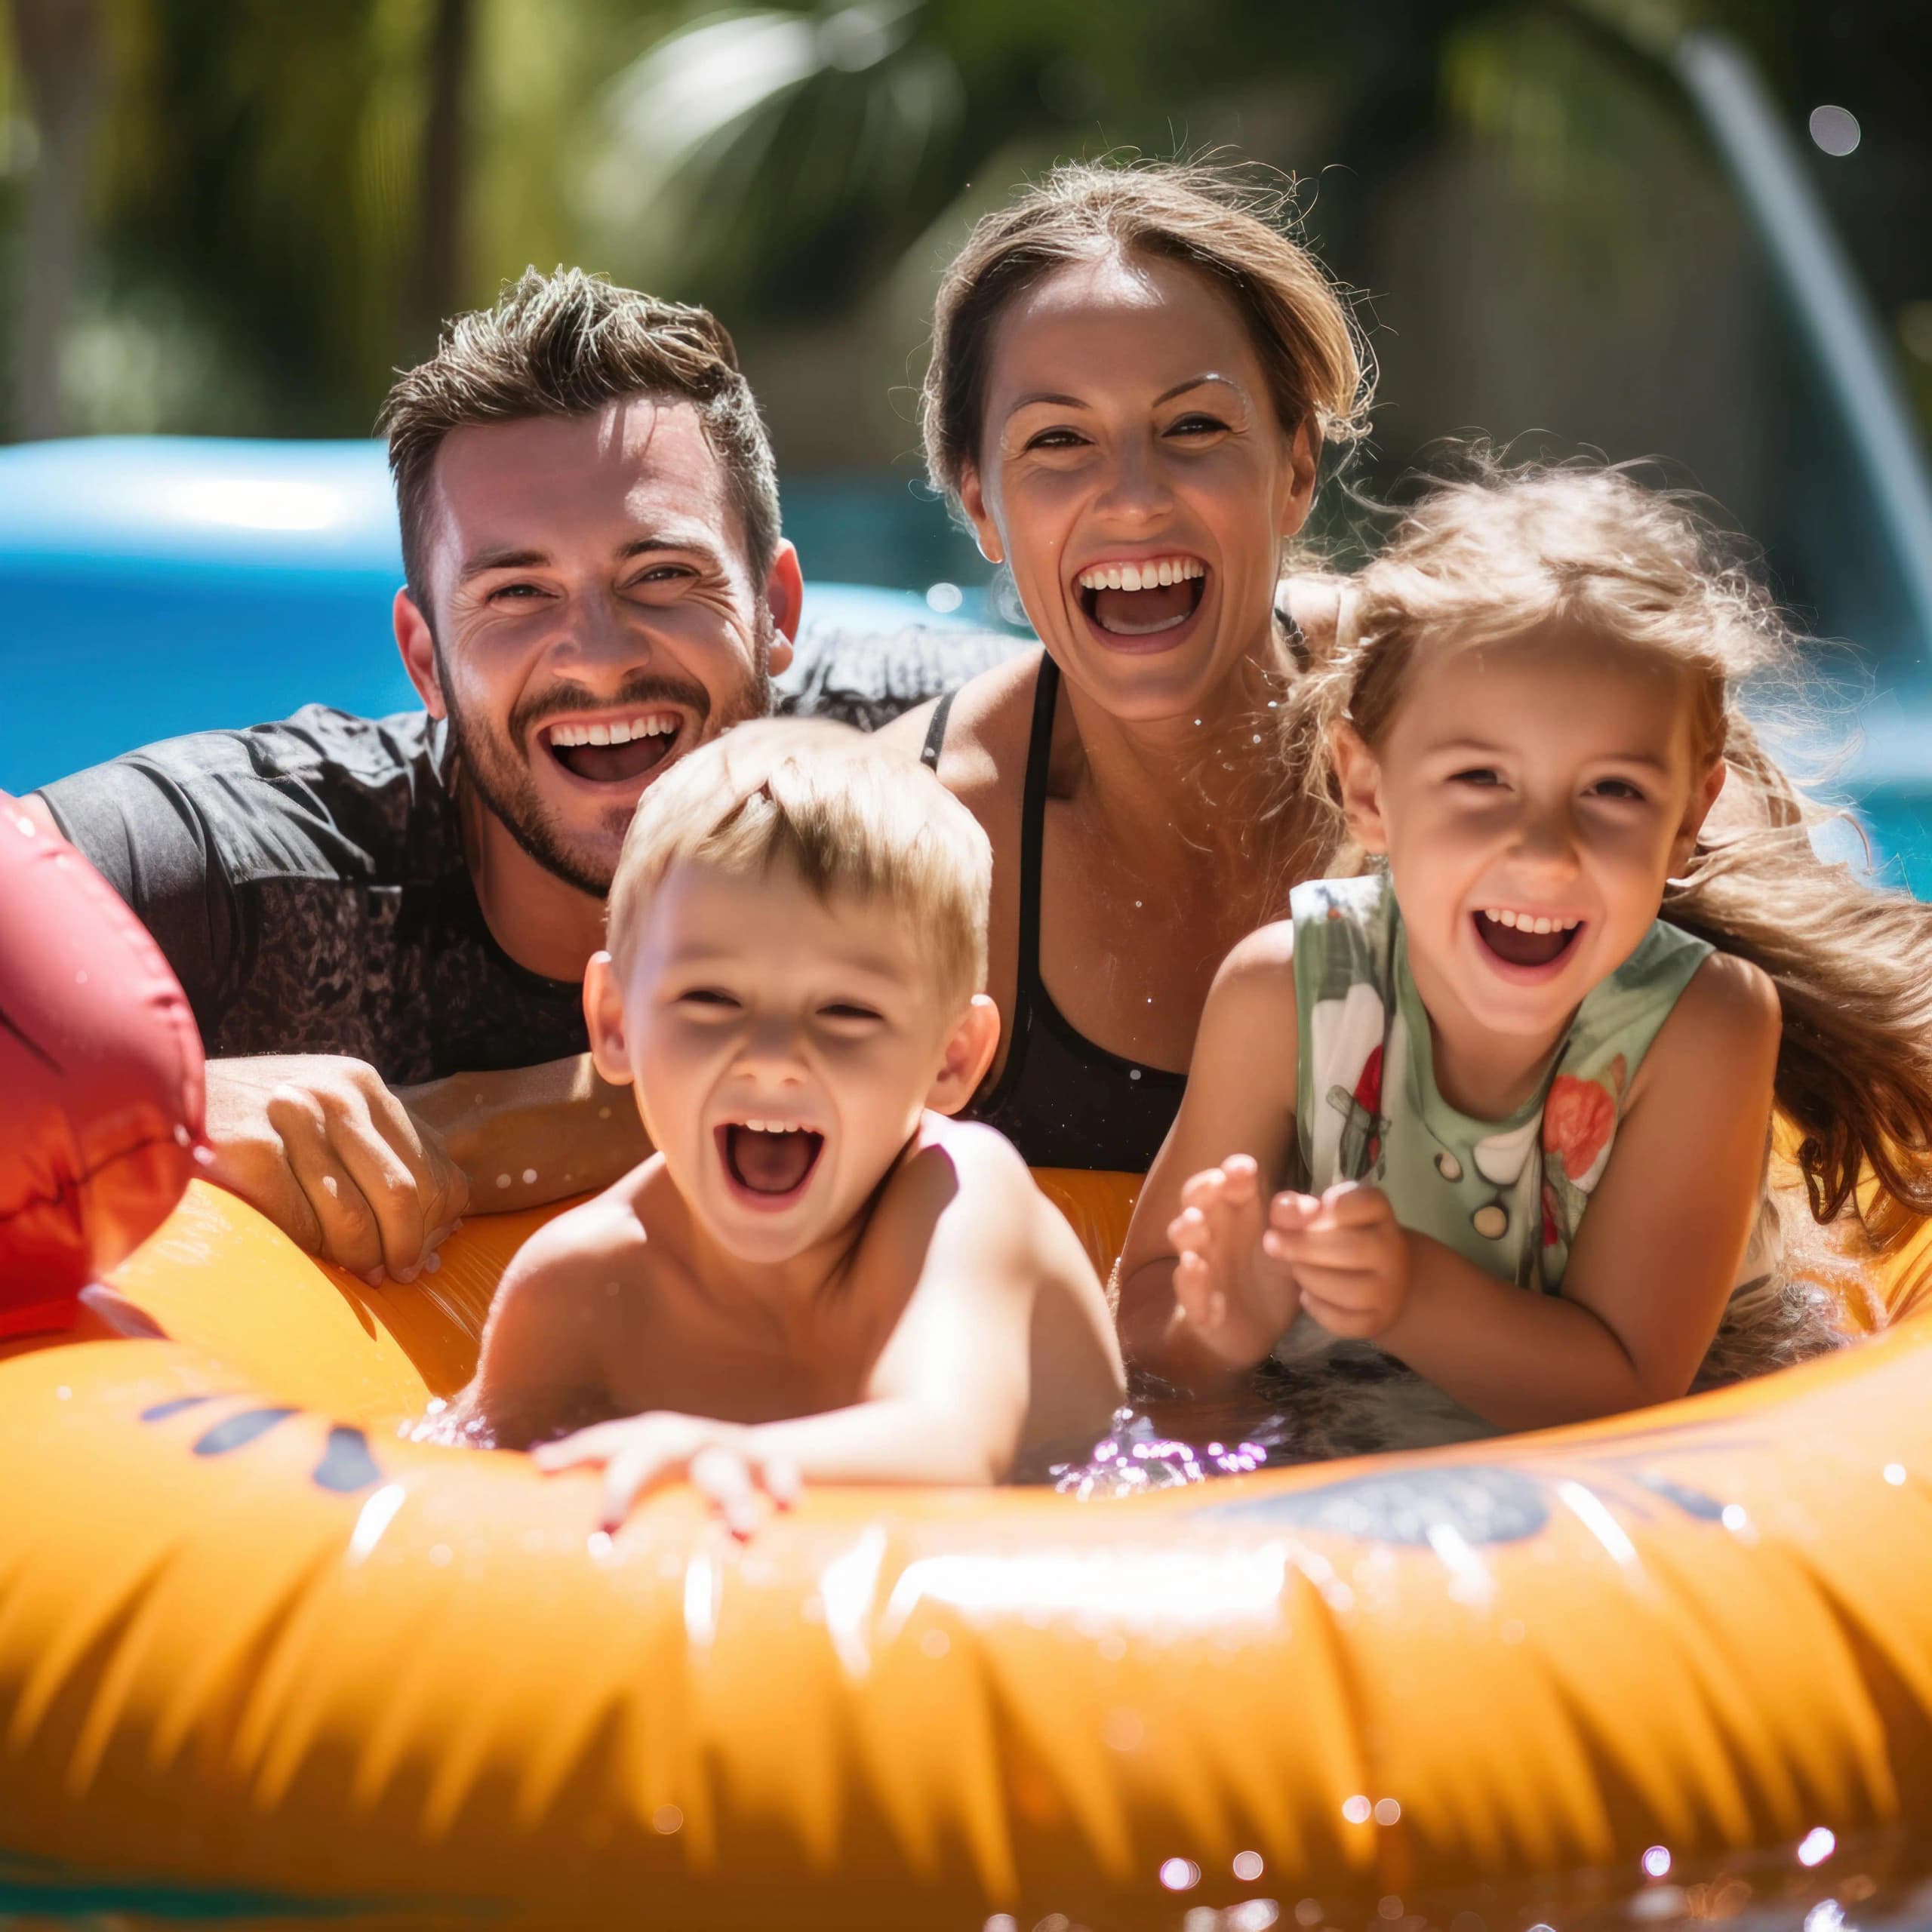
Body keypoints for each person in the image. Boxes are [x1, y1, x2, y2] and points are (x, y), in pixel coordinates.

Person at [1115, 462, 1932, 1440]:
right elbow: (1146, 1308)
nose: (1545, 850)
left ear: (1688, 816)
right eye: (1481, 779)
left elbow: (1628, 1387)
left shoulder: (1703, 1026)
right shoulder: (1284, 991)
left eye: (1613, 792)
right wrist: (1222, 1326)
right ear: (1369, 790)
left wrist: (1409, 1293)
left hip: (1675, 1444)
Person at [19, 269, 803, 1286]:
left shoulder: (907, 780)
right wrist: (167, 1102)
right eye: (518, 593)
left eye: (661, 576)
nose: (600, 657)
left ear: (777, 612)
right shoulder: (265, 867)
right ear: (424, 657)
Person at [443, 720, 1124, 1531]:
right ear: (617, 1022)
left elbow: (953, 1446)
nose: (772, 1057)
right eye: (712, 999)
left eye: (845, 1010)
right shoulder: (577, 1287)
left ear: (951, 1057)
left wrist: (728, 1454)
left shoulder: (961, 1200)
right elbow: (472, 1507)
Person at [879, 158, 1370, 1173]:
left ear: (1296, 470)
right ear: (980, 506)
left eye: (1194, 425)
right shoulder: (920, 835)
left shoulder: (1457, 700)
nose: (1135, 496)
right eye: (1059, 440)